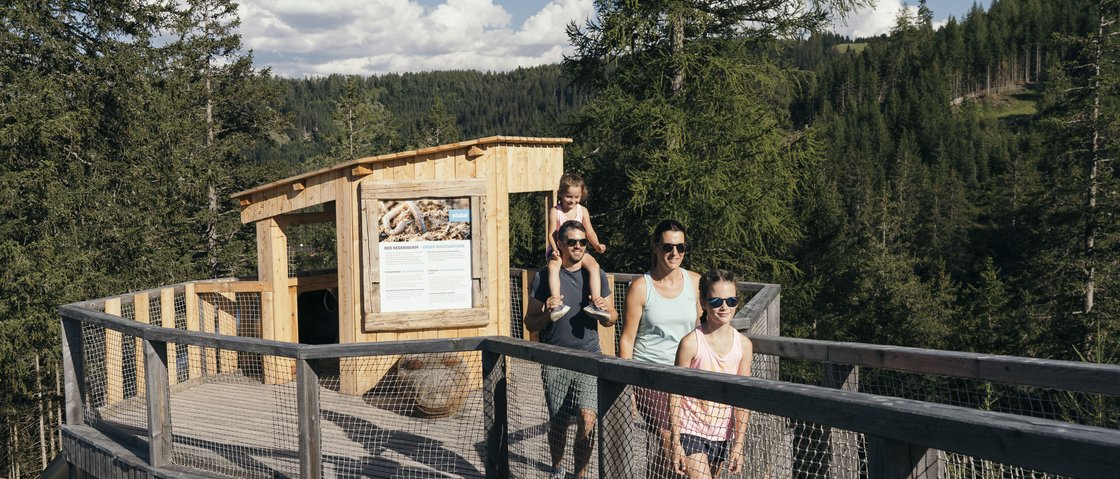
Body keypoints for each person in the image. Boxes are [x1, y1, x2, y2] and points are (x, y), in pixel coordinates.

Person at [526, 219, 618, 479]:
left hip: (590, 357)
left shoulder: (595, 275)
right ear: (562, 245)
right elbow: (529, 321)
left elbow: (613, 318)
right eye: (572, 242)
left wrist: (603, 313)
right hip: (555, 359)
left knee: (587, 421)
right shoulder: (545, 277)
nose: (578, 247)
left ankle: (581, 474)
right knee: (559, 423)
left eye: (582, 242)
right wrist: (546, 314)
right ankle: (557, 468)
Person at [619, 219, 702, 477]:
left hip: (687, 376)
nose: (674, 253)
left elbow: (701, 330)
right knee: (671, 441)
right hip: (650, 376)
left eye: (681, 247)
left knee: (673, 454)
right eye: (668, 246)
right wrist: (627, 386)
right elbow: (627, 339)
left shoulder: (696, 283)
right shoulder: (640, 287)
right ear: (655, 248)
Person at [670, 269, 753, 479]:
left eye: (731, 300)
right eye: (716, 301)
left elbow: (743, 397)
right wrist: (675, 441)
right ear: (704, 303)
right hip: (690, 429)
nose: (724, 307)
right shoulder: (690, 343)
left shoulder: (744, 345)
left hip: (722, 432)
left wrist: (739, 444)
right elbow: (675, 393)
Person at [545, 173, 610, 323]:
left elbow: (590, 231)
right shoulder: (556, 212)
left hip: (578, 250)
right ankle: (556, 303)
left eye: (576, 197)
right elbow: (550, 234)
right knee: (554, 267)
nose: (572, 201)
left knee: (594, 265)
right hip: (559, 248)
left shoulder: (582, 211)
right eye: (568, 196)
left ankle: (596, 302)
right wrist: (555, 249)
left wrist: (597, 244)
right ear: (561, 194)